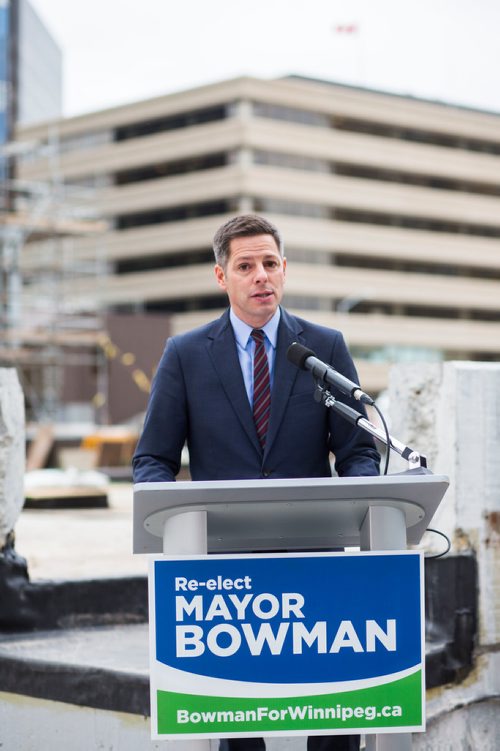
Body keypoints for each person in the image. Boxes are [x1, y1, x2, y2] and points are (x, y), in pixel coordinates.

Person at [133, 214, 380, 751]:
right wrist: (174, 519)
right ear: (222, 277)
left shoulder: (324, 345)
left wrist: (363, 501)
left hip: (316, 559)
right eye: (245, 266)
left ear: (285, 269)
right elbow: (153, 459)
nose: (260, 275)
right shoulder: (186, 354)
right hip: (226, 573)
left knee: (336, 710)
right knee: (238, 725)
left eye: (270, 263)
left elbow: (358, 450)